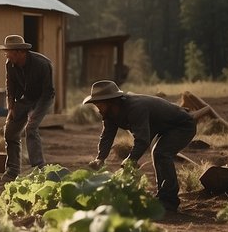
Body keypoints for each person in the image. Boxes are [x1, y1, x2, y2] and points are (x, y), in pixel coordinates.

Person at [83, 80, 197, 212]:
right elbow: (107, 135)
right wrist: (100, 158)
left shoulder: (135, 108)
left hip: (183, 125)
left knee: (161, 153)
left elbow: (142, 140)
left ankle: (169, 200)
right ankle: (163, 197)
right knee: (158, 153)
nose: (98, 109)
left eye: (99, 104)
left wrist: (131, 159)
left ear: (111, 101)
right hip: (165, 128)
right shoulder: (109, 113)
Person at [0, 34, 55, 183]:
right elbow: (10, 85)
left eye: (8, 52)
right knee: (9, 131)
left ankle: (39, 169)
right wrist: (11, 106)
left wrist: (35, 114)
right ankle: (12, 172)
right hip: (27, 98)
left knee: (31, 127)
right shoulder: (10, 64)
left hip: (44, 98)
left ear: (19, 52)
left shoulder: (42, 64)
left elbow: (47, 92)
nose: (6, 55)